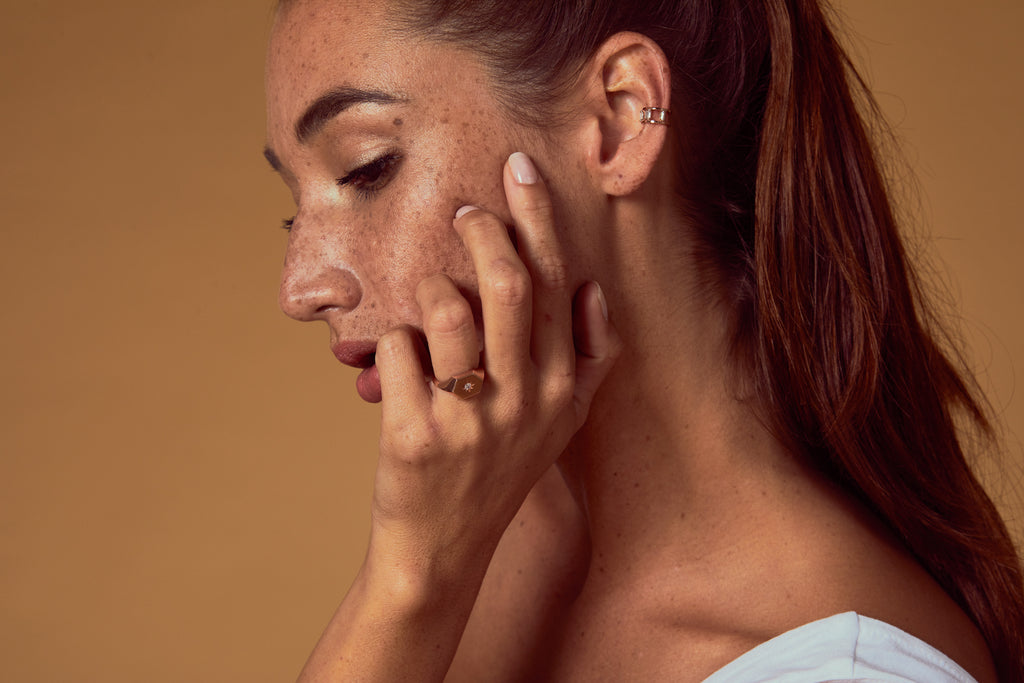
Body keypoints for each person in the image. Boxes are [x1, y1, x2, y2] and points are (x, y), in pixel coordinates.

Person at [262, 0, 1024, 680]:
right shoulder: (490, 540)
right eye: (296, 208)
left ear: (624, 117)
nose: (301, 286)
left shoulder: (836, 671)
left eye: (367, 169)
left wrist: (410, 584)